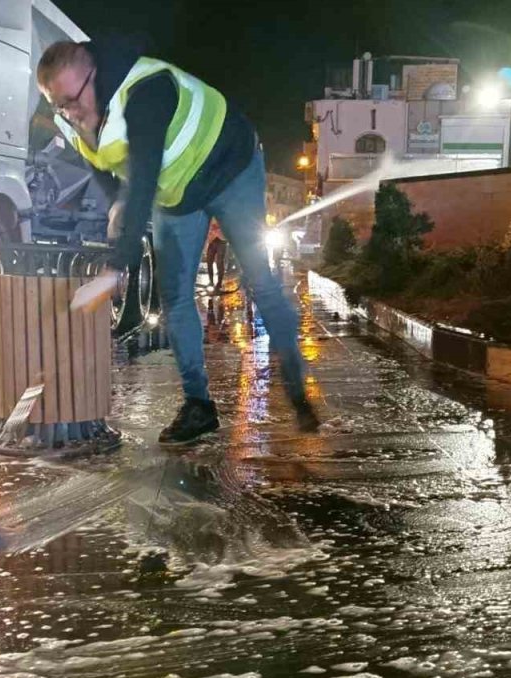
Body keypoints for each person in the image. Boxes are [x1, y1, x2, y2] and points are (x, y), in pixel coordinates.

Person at [39, 39, 319, 444]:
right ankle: (199, 407)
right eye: (57, 104)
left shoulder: (147, 93)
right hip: (178, 192)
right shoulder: (74, 114)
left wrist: (114, 269)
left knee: (260, 280)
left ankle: (296, 386)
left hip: (230, 168)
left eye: (71, 100)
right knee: (174, 295)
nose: (68, 112)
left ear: (94, 78)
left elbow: (144, 179)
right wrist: (114, 200)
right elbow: (98, 162)